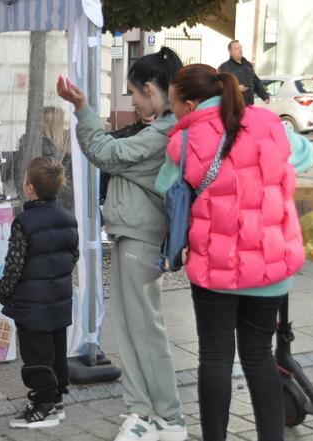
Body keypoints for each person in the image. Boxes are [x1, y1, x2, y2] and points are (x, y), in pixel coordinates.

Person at [156, 64, 313, 441]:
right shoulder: (269, 123)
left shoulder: (186, 139)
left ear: (191, 102)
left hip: (216, 268)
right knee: (259, 355)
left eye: (176, 103)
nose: (175, 110)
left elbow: (166, 186)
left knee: (214, 356)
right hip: (271, 267)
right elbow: (306, 155)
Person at [57, 47, 188, 441]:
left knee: (143, 329)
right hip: (134, 234)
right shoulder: (164, 127)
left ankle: (163, 416)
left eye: (133, 92)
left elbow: (105, 152)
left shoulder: (163, 131)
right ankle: (146, 413)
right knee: (132, 328)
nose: (131, 101)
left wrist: (82, 108)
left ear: (149, 88)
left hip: (140, 238)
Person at [0, 156, 79, 429]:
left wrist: (4, 291)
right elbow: (73, 256)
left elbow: (14, 264)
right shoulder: (69, 218)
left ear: (30, 188)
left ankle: (43, 406)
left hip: (32, 304)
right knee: (56, 351)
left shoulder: (24, 222)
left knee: (36, 354)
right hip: (58, 300)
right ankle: (55, 401)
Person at [218, 40, 270, 106]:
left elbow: (255, 81)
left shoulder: (248, 65)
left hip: (249, 104)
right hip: (234, 106)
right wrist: (236, 88)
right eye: (237, 48)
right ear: (230, 51)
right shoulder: (224, 67)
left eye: (240, 48)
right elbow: (220, 85)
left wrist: (264, 96)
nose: (240, 50)